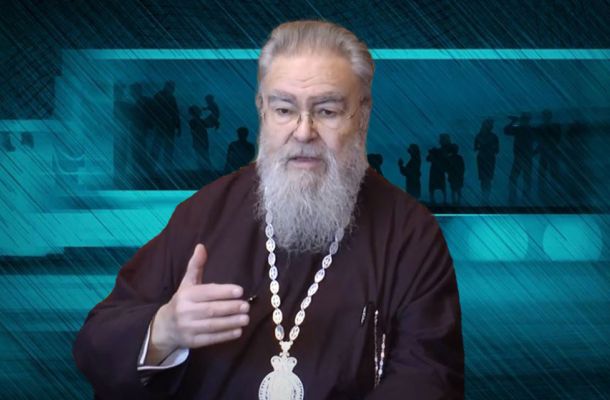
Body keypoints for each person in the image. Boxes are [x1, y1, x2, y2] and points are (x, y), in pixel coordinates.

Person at [73, 20, 464, 400]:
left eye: (327, 111)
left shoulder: (411, 234)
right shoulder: (204, 215)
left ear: (362, 115)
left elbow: (429, 378)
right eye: (284, 110)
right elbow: (97, 342)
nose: (304, 131)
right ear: (262, 111)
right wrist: (164, 330)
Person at [474, 118, 499, 205]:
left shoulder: (479, 135)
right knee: (486, 179)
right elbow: (497, 150)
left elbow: (476, 147)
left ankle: (485, 198)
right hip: (487, 158)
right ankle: (485, 198)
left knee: (485, 179)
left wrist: (482, 147)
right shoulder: (493, 136)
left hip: (484, 158)